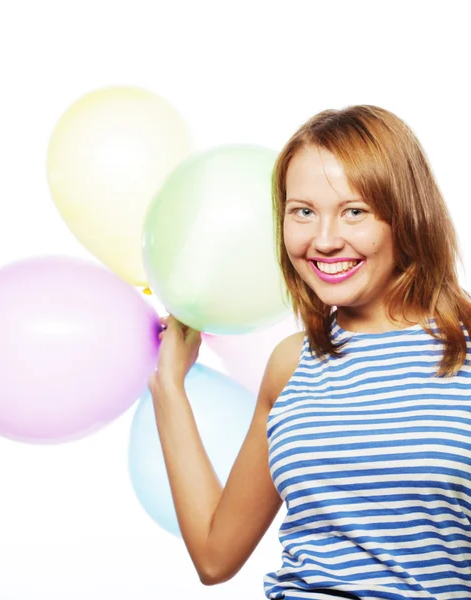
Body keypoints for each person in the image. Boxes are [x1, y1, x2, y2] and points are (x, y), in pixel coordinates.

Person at [147, 105, 471, 599]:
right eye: (303, 212)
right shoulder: (291, 364)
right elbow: (215, 557)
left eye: (354, 211)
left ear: (405, 217)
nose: (323, 241)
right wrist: (169, 388)